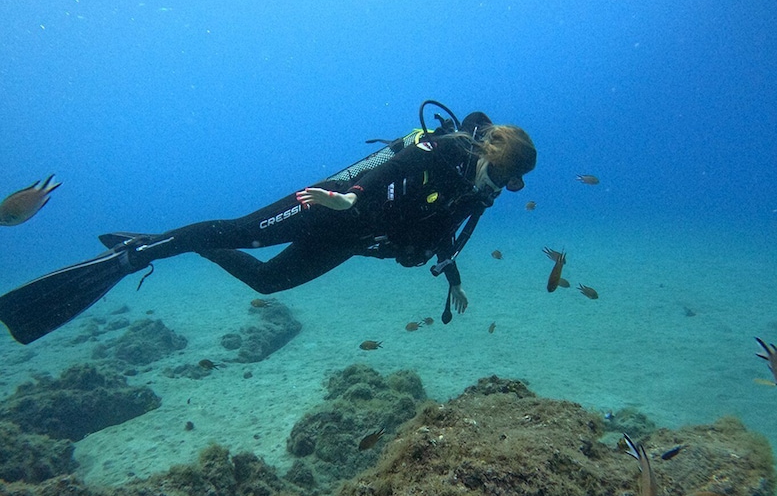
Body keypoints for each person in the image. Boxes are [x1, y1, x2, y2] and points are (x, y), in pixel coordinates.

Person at [0, 101, 536, 345]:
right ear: (492, 154)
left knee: (267, 280)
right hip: (326, 205)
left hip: (350, 237)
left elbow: (442, 235)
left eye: (514, 186)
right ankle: (135, 255)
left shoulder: (472, 192)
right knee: (242, 232)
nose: (505, 190)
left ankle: (181, 245)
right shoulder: (439, 155)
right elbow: (387, 171)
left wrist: (456, 279)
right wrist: (347, 199)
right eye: (506, 178)